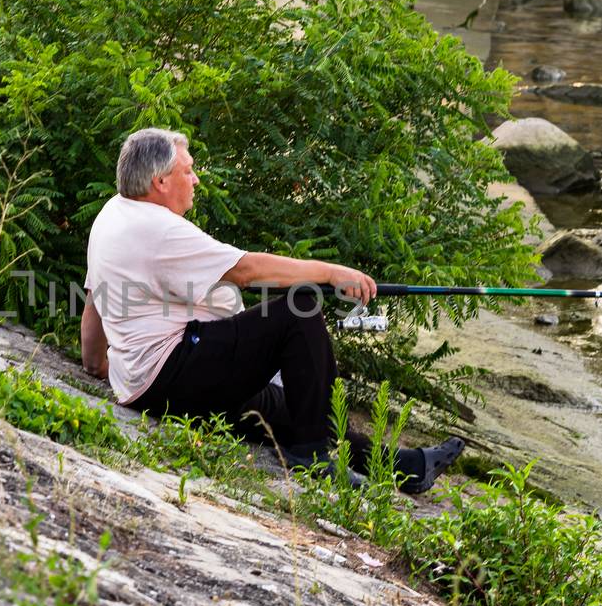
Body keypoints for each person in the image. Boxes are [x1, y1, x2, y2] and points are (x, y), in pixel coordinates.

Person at [81, 127, 464, 492]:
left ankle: (406, 467)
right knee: (299, 310)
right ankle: (312, 457)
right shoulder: (159, 228)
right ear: (160, 182)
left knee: (299, 405)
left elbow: (95, 301)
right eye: (188, 170)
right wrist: (332, 272)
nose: (195, 179)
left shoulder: (112, 215)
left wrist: (98, 365)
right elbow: (248, 271)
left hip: (151, 386)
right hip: (176, 373)